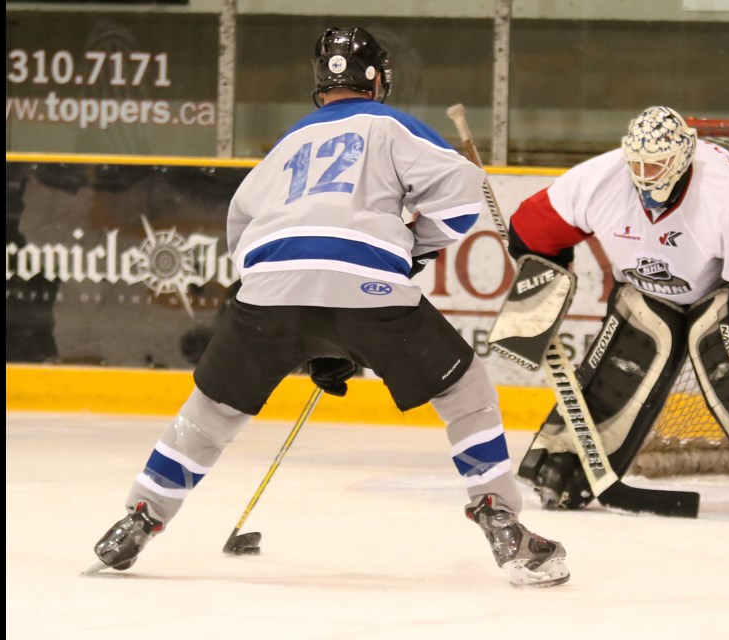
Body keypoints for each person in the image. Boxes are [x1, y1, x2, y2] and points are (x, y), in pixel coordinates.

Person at [91, 26, 569, 588]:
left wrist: (299, 315)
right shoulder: (389, 124)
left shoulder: (288, 142)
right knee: (465, 393)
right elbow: (462, 191)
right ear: (375, 77)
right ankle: (500, 518)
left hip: (266, 290)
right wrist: (407, 251)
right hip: (366, 288)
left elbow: (241, 225)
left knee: (211, 412)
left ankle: (139, 518)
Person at [507, 106, 729, 522]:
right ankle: (566, 462)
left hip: (720, 293)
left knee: (718, 343)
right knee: (639, 328)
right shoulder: (600, 179)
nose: (643, 174)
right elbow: (531, 229)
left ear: (681, 159)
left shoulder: (722, 195)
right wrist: (542, 275)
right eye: (636, 162)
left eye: (655, 165)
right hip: (643, 289)